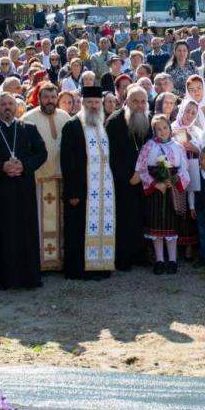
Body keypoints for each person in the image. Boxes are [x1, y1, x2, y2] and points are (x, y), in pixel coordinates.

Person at [0, 92, 47, 290]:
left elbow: (42, 153)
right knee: (2, 231)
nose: (7, 107)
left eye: (10, 104)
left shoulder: (28, 129)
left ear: (17, 107)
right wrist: (1, 167)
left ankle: (29, 276)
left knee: (25, 230)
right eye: (3, 104)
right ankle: (3, 277)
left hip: (23, 188)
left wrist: (24, 165)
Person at [60, 86, 116, 280]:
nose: (93, 106)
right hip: (81, 190)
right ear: (82, 103)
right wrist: (72, 192)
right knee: (78, 229)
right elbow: (67, 162)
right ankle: (79, 270)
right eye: (90, 102)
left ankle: (100, 265)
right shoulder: (72, 126)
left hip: (102, 190)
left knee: (100, 226)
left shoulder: (102, 126)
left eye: (96, 103)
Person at [21, 83, 70, 271]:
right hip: (37, 179)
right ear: (39, 98)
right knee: (38, 221)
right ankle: (39, 261)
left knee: (62, 222)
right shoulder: (27, 119)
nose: (49, 100)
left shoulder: (65, 117)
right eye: (46, 97)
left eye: (52, 97)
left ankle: (61, 260)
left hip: (61, 177)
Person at [135, 114, 191, 275]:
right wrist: (155, 183)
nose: (162, 131)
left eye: (165, 127)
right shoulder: (148, 147)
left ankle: (172, 260)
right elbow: (141, 169)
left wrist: (173, 181)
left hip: (172, 190)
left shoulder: (178, 146)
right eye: (158, 129)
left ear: (169, 127)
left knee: (171, 228)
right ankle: (159, 260)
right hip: (155, 191)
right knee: (156, 228)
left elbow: (184, 169)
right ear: (154, 131)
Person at [105, 84, 152, 270]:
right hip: (122, 181)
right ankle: (122, 257)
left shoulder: (147, 120)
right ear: (126, 101)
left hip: (143, 178)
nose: (140, 105)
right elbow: (110, 155)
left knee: (142, 217)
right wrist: (128, 175)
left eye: (143, 102)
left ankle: (140, 254)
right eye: (135, 101)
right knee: (124, 218)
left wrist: (142, 174)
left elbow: (150, 148)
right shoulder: (114, 122)